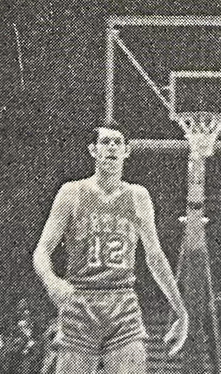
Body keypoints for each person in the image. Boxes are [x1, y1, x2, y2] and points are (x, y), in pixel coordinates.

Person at [32, 123, 188, 374]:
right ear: (93, 150)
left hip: (122, 301)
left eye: (118, 142)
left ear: (127, 151)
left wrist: (181, 310)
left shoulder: (138, 196)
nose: (112, 147)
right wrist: (51, 281)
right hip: (81, 300)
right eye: (106, 142)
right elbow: (41, 251)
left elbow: (155, 256)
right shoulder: (72, 193)